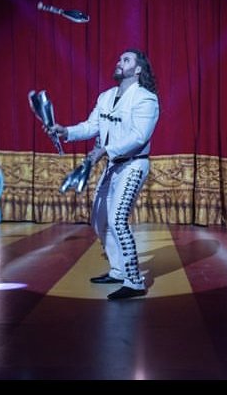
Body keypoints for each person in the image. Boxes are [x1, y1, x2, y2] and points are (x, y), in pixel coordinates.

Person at [50, 49, 159, 300]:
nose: (119, 62)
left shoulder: (146, 99)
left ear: (138, 70)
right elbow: (91, 126)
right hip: (112, 165)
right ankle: (118, 270)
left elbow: (139, 137)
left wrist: (105, 151)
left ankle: (134, 281)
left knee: (118, 219)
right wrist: (65, 131)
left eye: (126, 60)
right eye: (119, 58)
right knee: (99, 220)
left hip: (133, 165)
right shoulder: (106, 96)